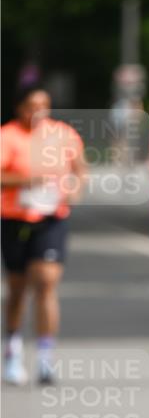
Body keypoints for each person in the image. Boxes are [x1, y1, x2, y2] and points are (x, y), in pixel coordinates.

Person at [1, 86, 86, 385]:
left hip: (52, 218)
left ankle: (45, 356)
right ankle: (11, 349)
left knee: (47, 282)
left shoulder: (62, 134)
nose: (38, 111)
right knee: (17, 289)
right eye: (31, 105)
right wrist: (28, 179)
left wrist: (74, 189)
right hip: (15, 219)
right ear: (19, 108)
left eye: (44, 105)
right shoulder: (8, 136)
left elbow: (79, 170)